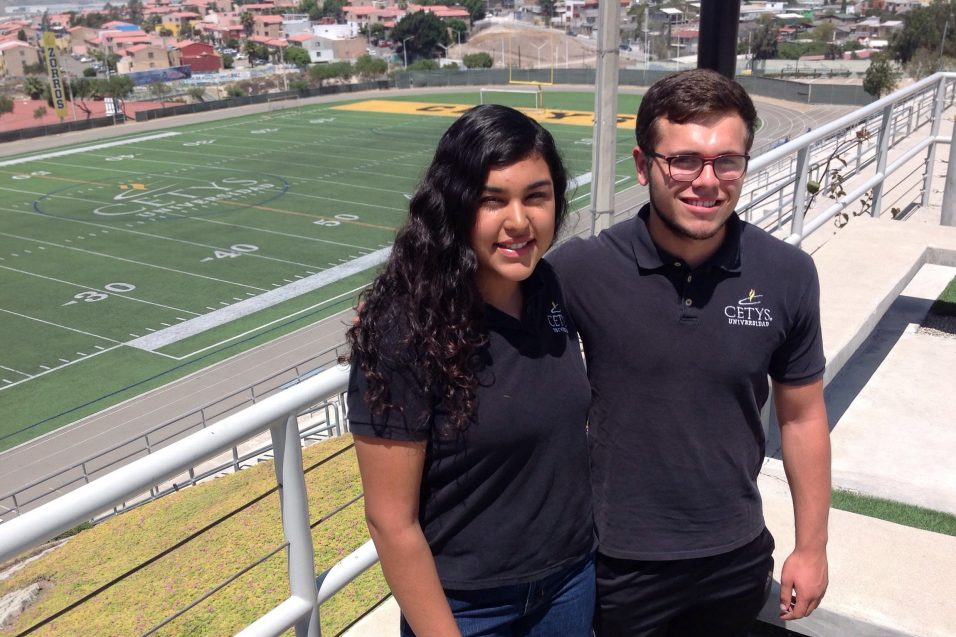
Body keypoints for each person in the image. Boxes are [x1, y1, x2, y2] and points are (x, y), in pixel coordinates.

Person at [547, 69, 831, 636]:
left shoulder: (788, 273)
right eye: (683, 160)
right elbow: (486, 300)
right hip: (619, 562)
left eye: (727, 160)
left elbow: (802, 417)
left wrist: (812, 547)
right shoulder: (581, 270)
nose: (707, 181)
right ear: (642, 163)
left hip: (736, 553)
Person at [346, 104, 595, 637]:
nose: (519, 222)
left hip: (570, 581)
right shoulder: (403, 329)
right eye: (491, 200)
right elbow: (391, 521)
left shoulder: (551, 286)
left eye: (536, 196)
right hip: (467, 607)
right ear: (455, 206)